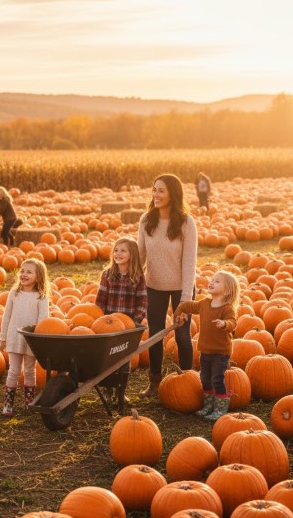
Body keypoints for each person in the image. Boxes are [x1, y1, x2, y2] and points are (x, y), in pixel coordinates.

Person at [137, 173, 197, 397]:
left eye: (161, 190)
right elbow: (141, 257)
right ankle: (154, 382)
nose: (156, 194)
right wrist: (132, 281)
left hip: (181, 287)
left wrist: (185, 301)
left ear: (173, 193)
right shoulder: (146, 220)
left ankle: (190, 381)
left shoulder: (186, 222)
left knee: (182, 336)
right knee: (155, 335)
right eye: (154, 190)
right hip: (154, 286)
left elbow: (190, 263)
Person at [174, 270, 239, 421]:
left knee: (217, 379)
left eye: (217, 281)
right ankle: (208, 406)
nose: (211, 282)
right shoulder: (204, 304)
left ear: (227, 290)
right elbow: (188, 306)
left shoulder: (227, 308)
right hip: (205, 350)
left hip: (220, 351)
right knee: (205, 378)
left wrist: (224, 324)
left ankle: (220, 408)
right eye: (212, 279)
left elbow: (233, 323)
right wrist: (180, 312)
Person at [95, 237, 147, 405]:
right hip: (108, 326)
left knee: (124, 361)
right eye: (116, 250)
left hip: (128, 327)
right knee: (108, 360)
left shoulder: (138, 277)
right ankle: (107, 390)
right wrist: (100, 320)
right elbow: (100, 301)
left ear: (132, 255)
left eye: (123, 250)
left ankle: (120, 392)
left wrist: (134, 322)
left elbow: (142, 303)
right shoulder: (108, 274)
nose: (118, 253)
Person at [0, 258, 50, 416]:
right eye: (22, 271)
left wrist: (40, 341)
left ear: (38, 276)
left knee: (29, 370)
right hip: (15, 336)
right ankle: (8, 404)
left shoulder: (41, 297)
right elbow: (6, 316)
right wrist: (3, 337)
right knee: (13, 370)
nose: (24, 274)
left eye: (29, 272)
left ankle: (29, 402)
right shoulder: (14, 294)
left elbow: (43, 320)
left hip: (31, 339)